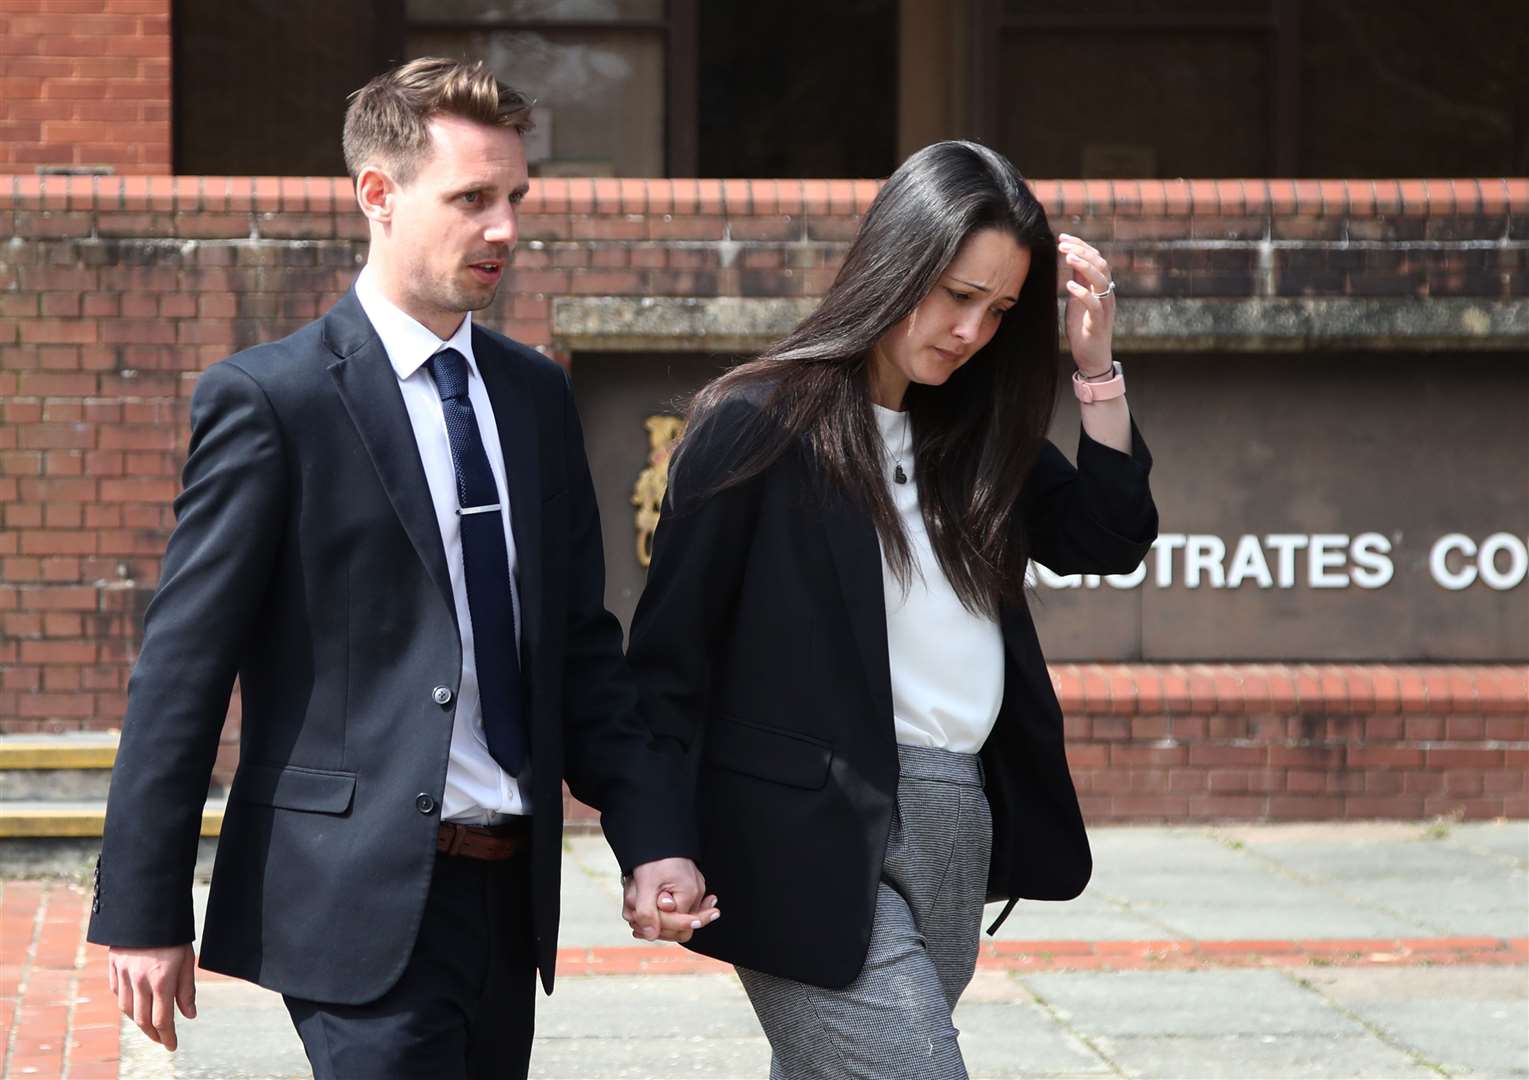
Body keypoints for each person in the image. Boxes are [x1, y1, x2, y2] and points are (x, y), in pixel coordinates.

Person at [87, 57, 715, 1080]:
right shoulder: (271, 401)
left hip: (509, 903)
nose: (505, 227)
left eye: (514, 197)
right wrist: (143, 911)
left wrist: (653, 836)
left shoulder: (532, 399)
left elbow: (577, 651)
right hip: (350, 900)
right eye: (471, 199)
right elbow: (181, 670)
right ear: (377, 196)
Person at [625, 140, 1157, 1079]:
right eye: (957, 295)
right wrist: (656, 844)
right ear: (894, 261)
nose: (970, 332)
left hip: (956, 812)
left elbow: (1105, 538)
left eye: (997, 313)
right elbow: (670, 660)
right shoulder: (755, 425)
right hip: (798, 827)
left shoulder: (976, 432)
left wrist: (1094, 367)